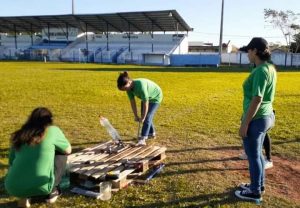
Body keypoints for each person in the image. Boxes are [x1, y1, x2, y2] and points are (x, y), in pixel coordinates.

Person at [234, 37, 276, 202]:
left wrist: (245, 123)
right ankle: (258, 185)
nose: (247, 54)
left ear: (255, 51)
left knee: (253, 156)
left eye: (249, 51)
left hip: (257, 119)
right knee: (258, 155)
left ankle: (255, 191)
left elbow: (257, 98)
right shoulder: (270, 68)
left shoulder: (260, 71)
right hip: (266, 116)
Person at [5, 107, 72, 207]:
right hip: (43, 185)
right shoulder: (53, 130)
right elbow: (68, 150)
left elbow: (11, 162)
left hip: (12, 186)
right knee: (62, 153)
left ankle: (24, 195)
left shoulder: (19, 135)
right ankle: (51, 193)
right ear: (49, 120)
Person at [117, 71, 163, 146]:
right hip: (146, 97)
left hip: (155, 96)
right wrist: (136, 115)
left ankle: (143, 138)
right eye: (123, 89)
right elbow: (132, 102)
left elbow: (146, 103)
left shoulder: (140, 86)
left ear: (129, 82)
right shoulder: (128, 89)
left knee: (147, 117)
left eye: (125, 88)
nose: (125, 90)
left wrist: (143, 117)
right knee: (145, 116)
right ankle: (151, 133)